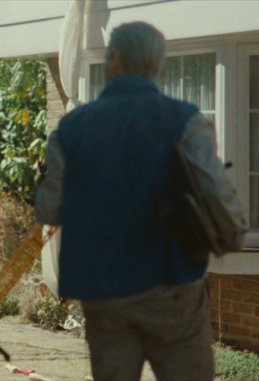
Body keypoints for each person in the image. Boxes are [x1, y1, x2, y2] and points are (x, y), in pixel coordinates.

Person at [35, 22, 245, 381]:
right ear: (157, 65)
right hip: (173, 286)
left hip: (104, 292)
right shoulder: (185, 121)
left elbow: (49, 209)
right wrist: (233, 235)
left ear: (113, 60)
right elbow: (216, 194)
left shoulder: (72, 128)